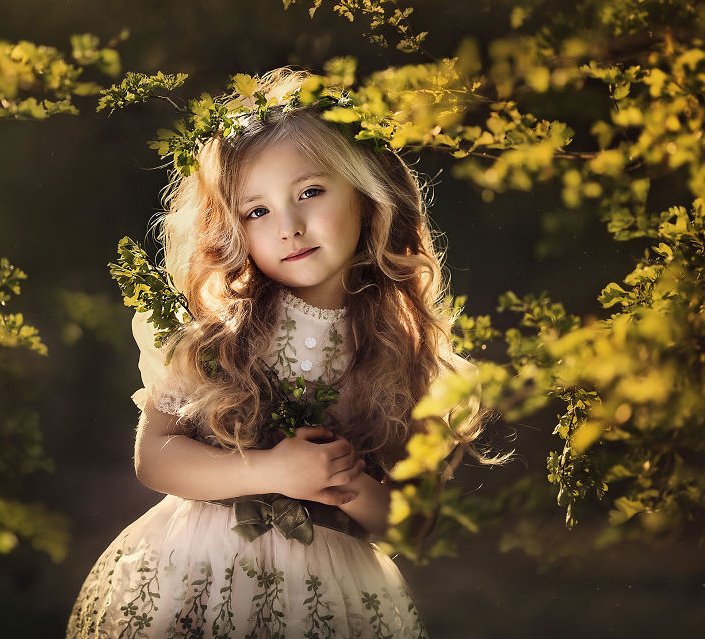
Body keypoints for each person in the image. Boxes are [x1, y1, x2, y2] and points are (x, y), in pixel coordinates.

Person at [67, 69, 481, 638]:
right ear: (232, 228)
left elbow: (413, 524)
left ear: (364, 193)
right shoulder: (217, 331)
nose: (289, 227)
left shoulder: (397, 351)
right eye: (256, 211)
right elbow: (156, 457)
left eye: (310, 192)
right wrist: (269, 469)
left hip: (323, 599)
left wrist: (349, 484)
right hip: (198, 578)